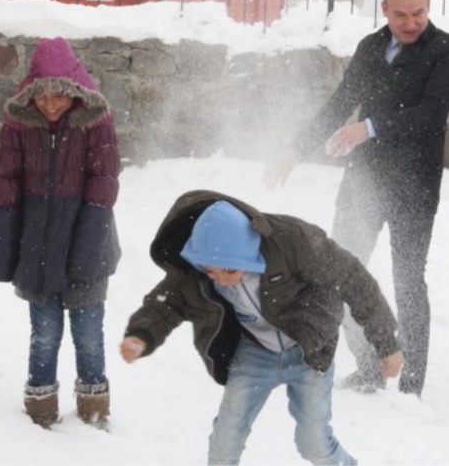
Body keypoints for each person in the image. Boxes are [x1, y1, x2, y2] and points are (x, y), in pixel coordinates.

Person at [263, 0, 449, 396]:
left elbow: (431, 114)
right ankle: (371, 366)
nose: (412, 23)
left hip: (414, 186)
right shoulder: (371, 48)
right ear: (384, 10)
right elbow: (339, 103)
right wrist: (295, 150)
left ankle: (411, 384)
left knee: (408, 280)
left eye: (419, 13)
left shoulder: (447, 51)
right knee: (338, 274)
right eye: (401, 15)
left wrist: (369, 128)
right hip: (363, 183)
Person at [119, 190, 404, 465]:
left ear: (247, 251)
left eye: (229, 270)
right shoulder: (202, 274)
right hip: (255, 353)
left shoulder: (292, 241)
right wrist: (140, 335)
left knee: (314, 444)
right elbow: (166, 302)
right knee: (223, 445)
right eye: (211, 271)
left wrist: (386, 343)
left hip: (309, 350)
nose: (221, 279)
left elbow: (352, 276)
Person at [0, 37, 121, 429]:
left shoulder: (95, 123)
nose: (50, 104)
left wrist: (86, 246)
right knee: (44, 333)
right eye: (42, 96)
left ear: (75, 92)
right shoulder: (19, 125)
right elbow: (5, 182)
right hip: (39, 244)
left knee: (88, 333)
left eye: (59, 95)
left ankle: (94, 407)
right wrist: (3, 245)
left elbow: (104, 183)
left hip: (88, 241)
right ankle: (40, 408)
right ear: (30, 93)